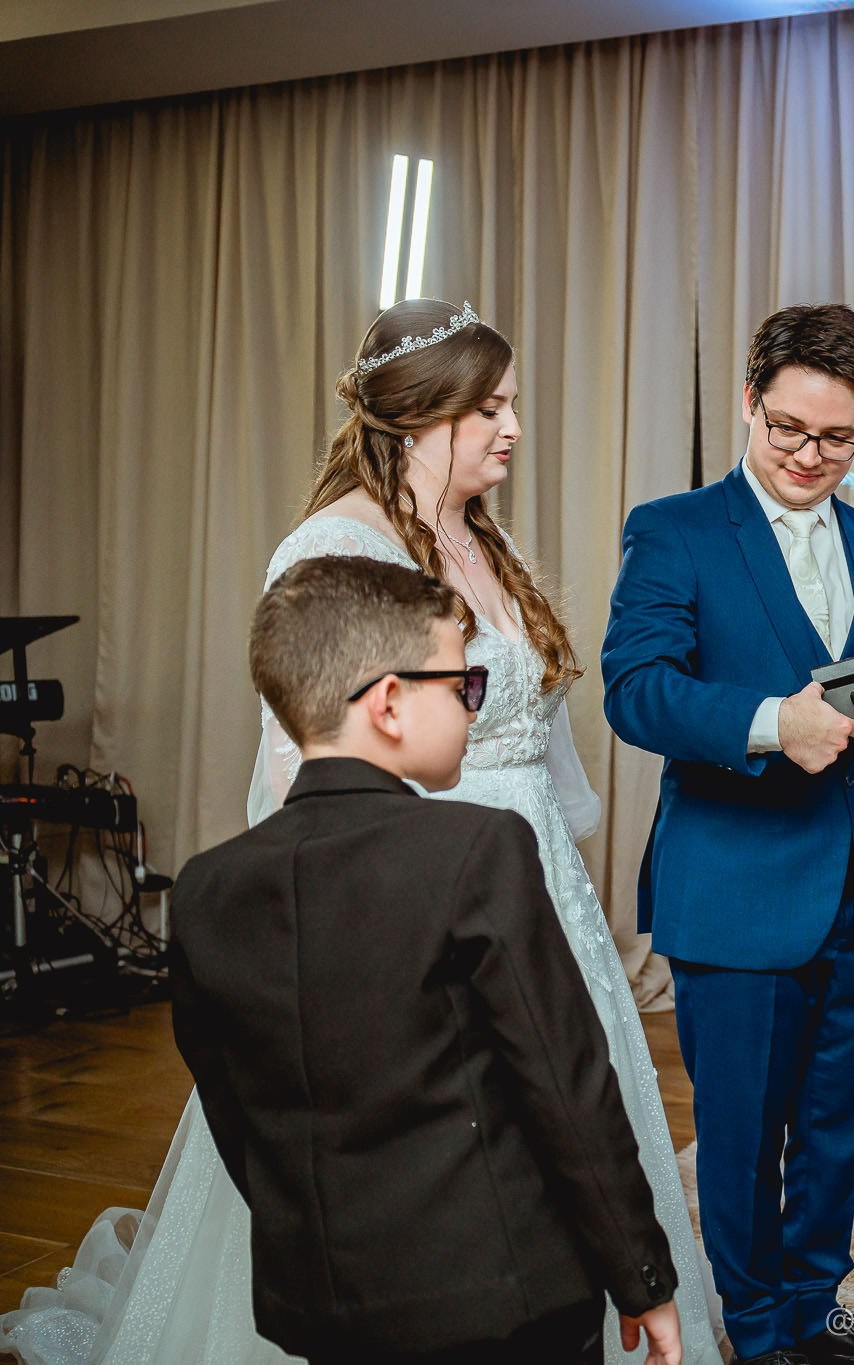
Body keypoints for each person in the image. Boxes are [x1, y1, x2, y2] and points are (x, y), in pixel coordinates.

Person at [0, 298, 719, 1365]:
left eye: (511, 403)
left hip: (527, 882)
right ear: (420, 416)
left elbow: (532, 736)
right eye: (490, 407)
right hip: (402, 892)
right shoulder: (333, 548)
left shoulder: (485, 539)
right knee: (422, 1148)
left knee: (562, 1106)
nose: (512, 427)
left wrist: (560, 853)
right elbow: (306, 751)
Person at [602, 303, 854, 1365]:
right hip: (732, 890)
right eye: (787, 429)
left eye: (836, 439)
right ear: (749, 400)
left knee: (833, 1139)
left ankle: (816, 1324)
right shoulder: (675, 529)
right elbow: (636, 691)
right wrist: (767, 724)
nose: (807, 457)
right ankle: (758, 1338)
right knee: (739, 1146)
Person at [171, 554, 683, 1365]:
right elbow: (564, 1082)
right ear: (389, 704)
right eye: (463, 687)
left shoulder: (204, 890)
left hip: (324, 1304)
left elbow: (237, 1120)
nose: (474, 709)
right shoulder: (476, 850)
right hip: (504, 1299)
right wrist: (644, 1275)